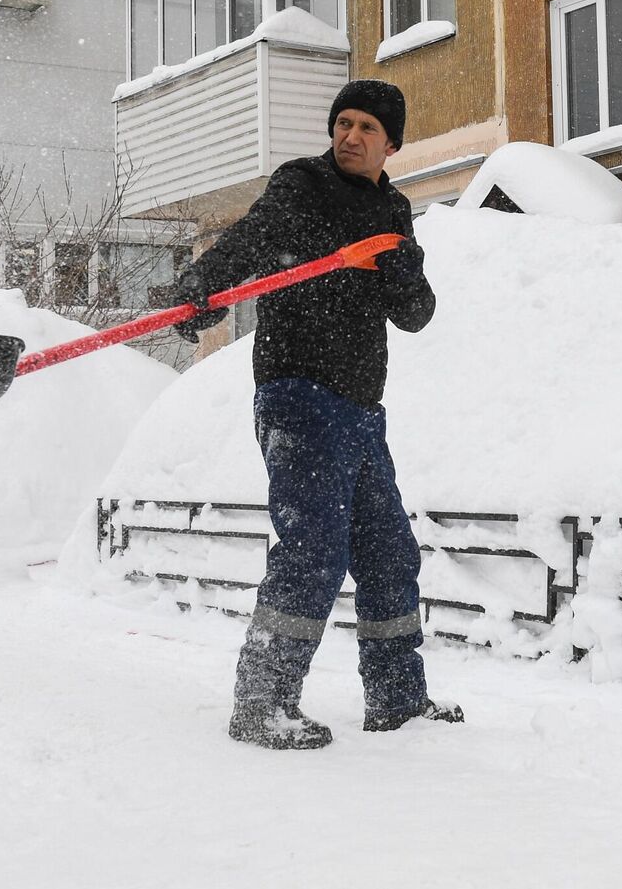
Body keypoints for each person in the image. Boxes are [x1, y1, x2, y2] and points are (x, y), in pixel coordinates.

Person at [168, 78, 461, 751]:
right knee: (313, 549)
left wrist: (400, 267)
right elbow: (254, 237)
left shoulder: (392, 209)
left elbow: (415, 314)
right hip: (299, 395)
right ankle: (263, 699)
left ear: (392, 143)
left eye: (366, 128)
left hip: (361, 410)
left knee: (390, 554)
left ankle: (397, 698)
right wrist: (203, 286)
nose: (350, 136)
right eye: (343, 123)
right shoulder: (303, 184)